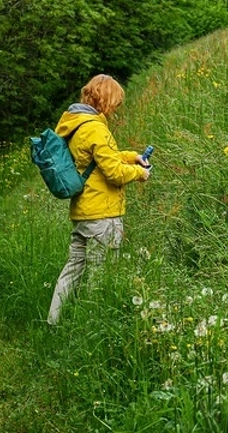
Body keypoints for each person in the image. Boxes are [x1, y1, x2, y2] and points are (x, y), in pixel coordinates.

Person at [47, 74, 151, 325]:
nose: (116, 108)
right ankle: (94, 324)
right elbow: (114, 173)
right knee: (100, 273)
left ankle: (53, 320)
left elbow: (98, 159)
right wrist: (141, 173)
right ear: (105, 100)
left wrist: (132, 156)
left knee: (72, 269)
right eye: (115, 102)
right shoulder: (96, 128)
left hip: (83, 212)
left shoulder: (75, 124)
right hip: (103, 215)